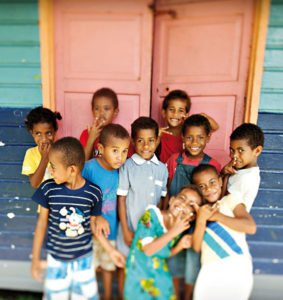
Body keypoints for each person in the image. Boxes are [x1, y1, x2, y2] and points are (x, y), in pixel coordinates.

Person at [30, 137, 125, 300]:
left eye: (53, 167)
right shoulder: (48, 188)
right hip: (56, 260)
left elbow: (94, 225)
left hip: (84, 260)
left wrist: (111, 250)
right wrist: (35, 258)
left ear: (72, 170)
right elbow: (41, 224)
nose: (50, 171)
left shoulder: (93, 193)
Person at [165, 114, 221, 299]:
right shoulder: (174, 160)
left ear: (208, 138)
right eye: (189, 137)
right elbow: (168, 187)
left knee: (192, 264)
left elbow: (216, 194)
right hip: (175, 220)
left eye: (200, 137)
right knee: (173, 261)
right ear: (182, 137)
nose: (194, 142)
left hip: (198, 225)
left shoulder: (212, 164)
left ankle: (187, 296)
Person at [116, 117, 168, 299]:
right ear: (133, 141)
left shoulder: (162, 169)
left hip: (149, 234)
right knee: (124, 266)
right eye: (140, 140)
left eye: (151, 140)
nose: (146, 145)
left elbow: (161, 202)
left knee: (146, 268)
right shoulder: (127, 167)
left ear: (157, 140)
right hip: (129, 229)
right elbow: (121, 200)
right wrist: (125, 229)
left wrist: (158, 231)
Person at [124, 185, 204, 299]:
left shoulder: (179, 226)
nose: (184, 204)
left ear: (192, 217)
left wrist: (180, 245)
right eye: (182, 198)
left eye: (191, 205)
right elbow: (147, 250)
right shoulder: (151, 215)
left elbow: (162, 253)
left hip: (159, 272)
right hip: (139, 273)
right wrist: (173, 232)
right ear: (171, 200)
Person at [191, 164, 256, 300]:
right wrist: (202, 219)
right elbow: (196, 247)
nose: (208, 188)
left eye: (212, 182)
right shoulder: (201, 213)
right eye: (202, 186)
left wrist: (217, 217)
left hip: (237, 265)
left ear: (220, 181)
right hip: (209, 269)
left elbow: (250, 227)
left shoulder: (230, 200)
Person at [82, 124, 130, 300]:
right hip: (89, 231)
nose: (120, 157)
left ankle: (108, 296)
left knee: (109, 268)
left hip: (111, 230)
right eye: (115, 150)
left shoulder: (121, 171)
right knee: (91, 268)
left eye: (124, 151)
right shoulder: (89, 168)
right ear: (101, 148)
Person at [156, 90, 219, 163]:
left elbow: (215, 127)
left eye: (181, 111)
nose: (175, 114)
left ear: (186, 114)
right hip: (167, 172)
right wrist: (155, 137)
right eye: (171, 109)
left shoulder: (190, 131)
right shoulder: (160, 134)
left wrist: (203, 116)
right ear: (164, 113)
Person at [221, 123, 264, 212]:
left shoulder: (246, 178)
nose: (234, 155)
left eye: (241, 150)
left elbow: (224, 203)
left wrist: (226, 176)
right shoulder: (242, 171)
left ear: (257, 151)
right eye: (232, 150)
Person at [22, 106, 62, 188]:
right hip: (44, 200)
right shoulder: (31, 154)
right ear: (32, 133)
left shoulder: (62, 151)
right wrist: (45, 158)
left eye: (48, 133)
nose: (44, 139)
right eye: (38, 133)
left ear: (55, 131)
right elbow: (34, 184)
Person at [80, 87, 119, 161]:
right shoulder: (86, 134)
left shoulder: (119, 135)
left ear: (115, 112)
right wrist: (91, 139)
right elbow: (82, 163)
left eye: (106, 109)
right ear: (92, 111)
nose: (101, 113)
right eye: (97, 109)